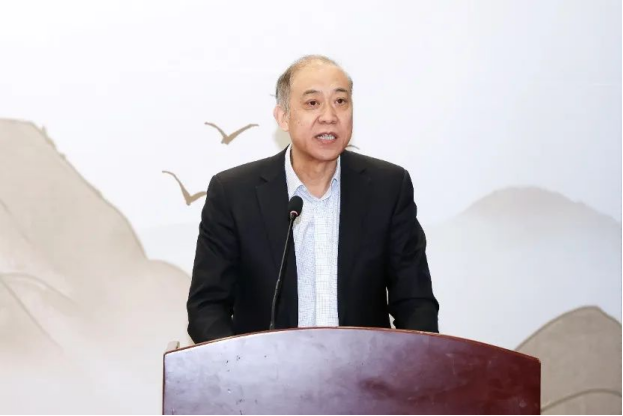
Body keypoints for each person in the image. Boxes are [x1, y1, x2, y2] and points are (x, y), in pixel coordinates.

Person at [187, 55, 439, 343]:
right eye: (312, 103)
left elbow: (415, 302)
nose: (329, 116)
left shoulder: (388, 187)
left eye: (340, 101)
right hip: (264, 369)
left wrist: (413, 364)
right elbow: (207, 307)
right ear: (283, 117)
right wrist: (239, 366)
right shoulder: (234, 193)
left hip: (363, 368)